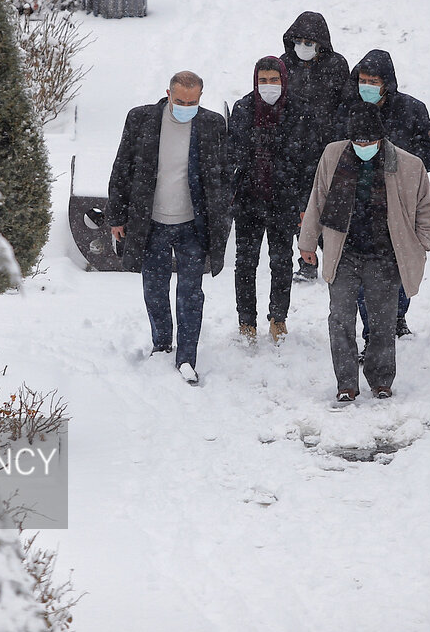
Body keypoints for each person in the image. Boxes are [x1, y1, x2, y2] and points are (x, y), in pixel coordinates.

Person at [298, 103, 430, 402]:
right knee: (340, 318)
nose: (362, 146)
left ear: (381, 139)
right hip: (344, 251)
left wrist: (422, 241)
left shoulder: (408, 165)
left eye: (368, 141)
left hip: (384, 254)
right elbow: (318, 199)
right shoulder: (334, 155)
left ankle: (381, 380)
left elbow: (426, 207)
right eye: (357, 141)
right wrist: (307, 243)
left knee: (383, 322)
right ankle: (346, 383)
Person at [107, 71, 231, 385]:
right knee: (154, 290)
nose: (186, 106)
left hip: (192, 225)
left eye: (193, 101)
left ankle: (187, 358)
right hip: (152, 224)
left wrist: (221, 220)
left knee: (191, 294)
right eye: (180, 101)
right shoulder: (142, 120)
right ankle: (162, 344)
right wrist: (117, 217)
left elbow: (222, 178)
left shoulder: (212, 125)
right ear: (168, 93)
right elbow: (123, 167)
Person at [345, 48, 430, 340]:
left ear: (387, 82)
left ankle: (397, 314)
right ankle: (373, 331)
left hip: (400, 203)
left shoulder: (411, 110)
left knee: (399, 263)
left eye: (373, 82)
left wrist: (403, 167)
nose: (367, 87)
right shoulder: (347, 110)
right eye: (362, 80)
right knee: (364, 271)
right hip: (360, 201)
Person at [228, 56, 308, 344]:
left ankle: (279, 318)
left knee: (281, 261)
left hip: (283, 201)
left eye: (274, 80)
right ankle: (246, 321)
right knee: (245, 262)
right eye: (263, 80)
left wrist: (301, 202)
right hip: (249, 199)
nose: (268, 85)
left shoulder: (298, 110)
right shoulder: (243, 108)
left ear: (283, 80)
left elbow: (305, 159)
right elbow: (233, 152)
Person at [279, 11, 352, 283]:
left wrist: (337, 137)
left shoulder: (336, 65)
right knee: (300, 207)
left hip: (326, 147)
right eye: (298, 40)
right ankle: (306, 260)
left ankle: (334, 256)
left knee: (329, 205)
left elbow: (345, 104)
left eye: (309, 41)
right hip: (293, 148)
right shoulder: (285, 64)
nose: (303, 47)